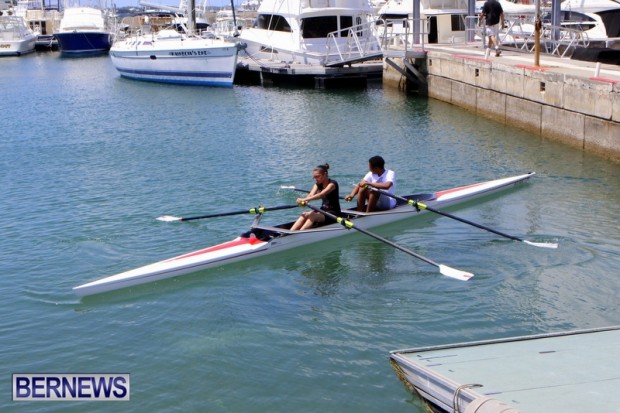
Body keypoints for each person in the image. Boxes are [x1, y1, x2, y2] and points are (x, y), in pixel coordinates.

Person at [290, 163, 341, 231]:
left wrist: (304, 199)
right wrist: (305, 201)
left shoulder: (332, 184)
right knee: (304, 214)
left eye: (317, 176)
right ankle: (289, 233)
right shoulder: (317, 184)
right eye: (314, 177)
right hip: (322, 211)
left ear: (325, 174)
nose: (315, 179)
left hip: (333, 214)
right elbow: (311, 195)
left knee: (312, 215)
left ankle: (300, 233)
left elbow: (320, 195)